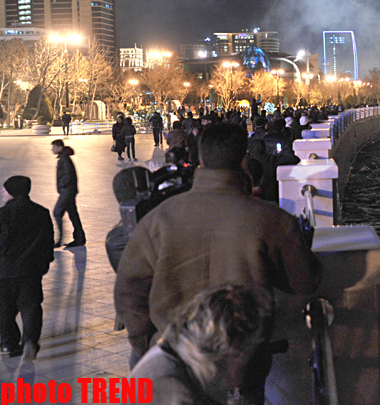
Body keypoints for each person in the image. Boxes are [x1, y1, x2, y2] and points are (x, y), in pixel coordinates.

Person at [114, 123, 321, 404]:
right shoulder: (272, 220)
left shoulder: (159, 219)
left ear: (201, 159)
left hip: (178, 362)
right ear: (244, 160)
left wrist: (149, 343)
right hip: (243, 368)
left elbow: (129, 292)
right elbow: (304, 282)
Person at [129, 285, 272, 405]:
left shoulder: (196, 360)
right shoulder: (169, 385)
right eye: (243, 352)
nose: (244, 361)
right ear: (227, 347)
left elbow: (230, 393)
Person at [0, 176, 55, 360]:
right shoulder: (41, 212)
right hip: (32, 270)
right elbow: (48, 241)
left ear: (13, 192)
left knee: (4, 309)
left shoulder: (3, 215)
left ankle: (9, 344)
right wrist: (46, 262)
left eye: (5, 190)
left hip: (6, 270)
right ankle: (30, 341)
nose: (2, 192)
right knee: (30, 306)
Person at [51, 139, 85, 247]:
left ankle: (60, 239)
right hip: (69, 190)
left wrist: (62, 185)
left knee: (57, 212)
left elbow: (68, 175)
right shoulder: (63, 158)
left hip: (67, 191)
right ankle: (79, 238)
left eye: (54, 147)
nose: (52, 149)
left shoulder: (64, 159)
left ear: (60, 147)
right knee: (73, 214)